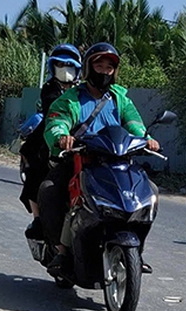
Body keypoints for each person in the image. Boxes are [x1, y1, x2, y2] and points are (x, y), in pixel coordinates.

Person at [37, 42, 159, 272]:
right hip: (80, 160)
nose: (104, 71)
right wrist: (62, 136)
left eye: (109, 67)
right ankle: (61, 251)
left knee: (151, 192)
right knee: (50, 189)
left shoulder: (120, 98)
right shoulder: (71, 98)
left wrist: (147, 138)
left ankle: (137, 250)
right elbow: (56, 121)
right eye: (99, 65)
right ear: (87, 68)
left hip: (117, 163)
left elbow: (134, 124)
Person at [21, 44, 83, 235]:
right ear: (52, 68)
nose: (65, 69)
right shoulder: (49, 89)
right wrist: (62, 135)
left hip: (83, 137)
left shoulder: (84, 90)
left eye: (69, 65)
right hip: (52, 134)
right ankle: (38, 219)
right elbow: (53, 114)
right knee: (35, 167)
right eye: (60, 65)